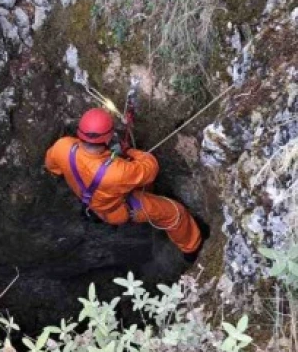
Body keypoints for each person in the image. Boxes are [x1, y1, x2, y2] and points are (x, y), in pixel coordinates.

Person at [44, 108, 207, 263]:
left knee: (132, 184)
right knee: (175, 213)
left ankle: (149, 195)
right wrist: (128, 151)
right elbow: (150, 168)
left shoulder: (62, 147)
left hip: (92, 201)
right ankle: (191, 249)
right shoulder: (118, 172)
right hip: (119, 209)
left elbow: (53, 167)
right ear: (107, 138)